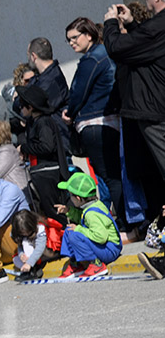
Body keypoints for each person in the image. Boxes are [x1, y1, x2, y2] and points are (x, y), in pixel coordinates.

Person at [103, 0, 165, 212]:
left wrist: (110, 24)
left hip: (156, 112)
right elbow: (147, 50)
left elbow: (119, 49)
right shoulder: (156, 29)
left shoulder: (158, 25)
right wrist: (132, 25)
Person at [62, 17, 123, 229]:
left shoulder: (92, 59)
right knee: (113, 175)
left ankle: (125, 225)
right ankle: (125, 222)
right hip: (107, 121)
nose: (71, 43)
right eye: (68, 40)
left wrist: (69, 112)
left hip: (95, 122)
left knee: (109, 177)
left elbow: (78, 91)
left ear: (89, 35)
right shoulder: (104, 53)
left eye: (75, 37)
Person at [17, 84, 69, 224]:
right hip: (40, 172)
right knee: (46, 211)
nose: (20, 108)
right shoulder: (34, 122)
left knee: (54, 211)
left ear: (31, 107)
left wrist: (24, 148)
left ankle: (65, 238)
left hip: (48, 173)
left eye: (23, 105)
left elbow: (47, 146)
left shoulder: (44, 122)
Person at [54, 172, 121, 278]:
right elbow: (82, 218)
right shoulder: (91, 207)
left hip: (110, 250)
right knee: (69, 231)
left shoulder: (91, 214)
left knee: (75, 234)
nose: (70, 198)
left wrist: (79, 229)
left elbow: (101, 237)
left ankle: (97, 265)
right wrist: (68, 211)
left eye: (70, 195)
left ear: (78, 198)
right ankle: (76, 264)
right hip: (106, 248)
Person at [9, 210, 49, 282]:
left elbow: (40, 248)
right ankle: (29, 270)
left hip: (43, 254)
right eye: (22, 232)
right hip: (30, 257)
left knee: (26, 243)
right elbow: (20, 246)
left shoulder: (39, 229)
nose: (24, 234)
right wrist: (21, 255)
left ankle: (31, 270)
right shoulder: (19, 235)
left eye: (26, 231)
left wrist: (29, 263)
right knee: (15, 259)